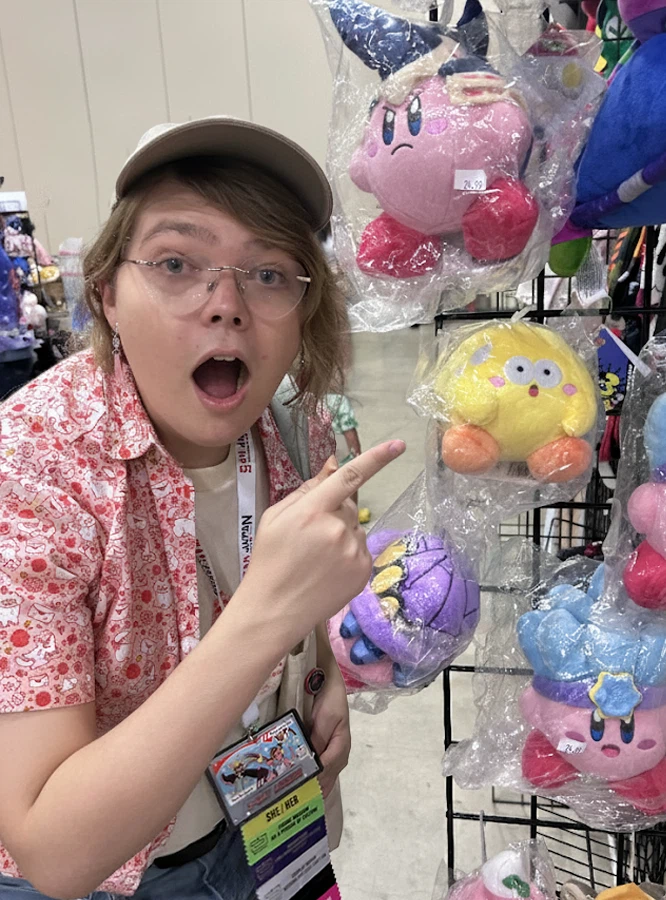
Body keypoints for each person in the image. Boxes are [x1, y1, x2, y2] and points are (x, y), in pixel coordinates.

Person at [0, 117, 405, 900]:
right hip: (120, 875)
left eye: (268, 273)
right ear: (109, 294)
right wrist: (260, 616)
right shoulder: (32, 468)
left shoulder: (297, 420)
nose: (226, 305)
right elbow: (52, 851)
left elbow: (307, 605)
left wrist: (322, 688)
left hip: (264, 818)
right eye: (178, 262)